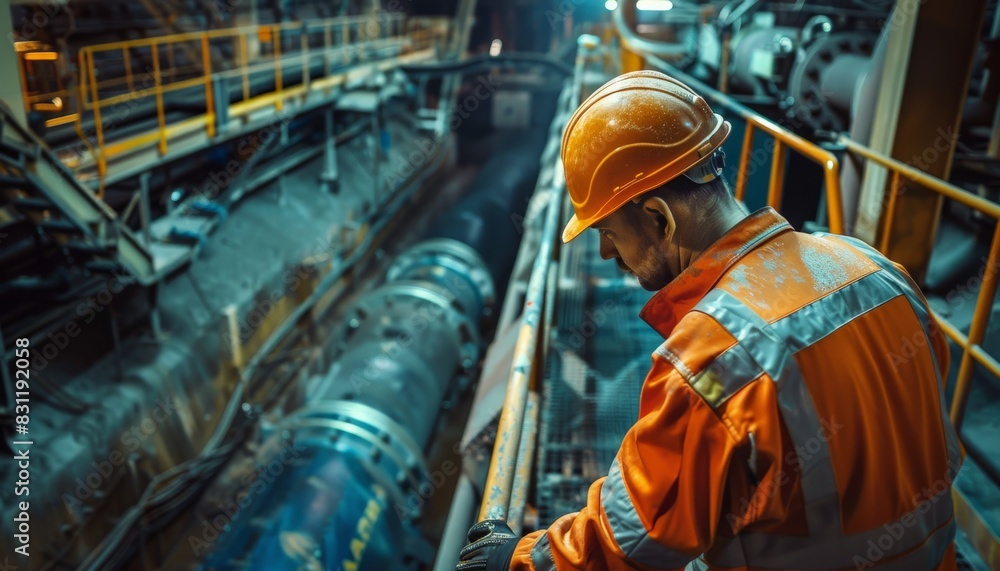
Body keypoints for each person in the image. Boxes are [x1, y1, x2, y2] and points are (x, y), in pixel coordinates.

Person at [455, 70, 963, 570]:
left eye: (608, 230)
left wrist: (516, 558)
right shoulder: (873, 268)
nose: (607, 252)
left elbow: (634, 539)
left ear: (659, 218)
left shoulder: (713, 358)